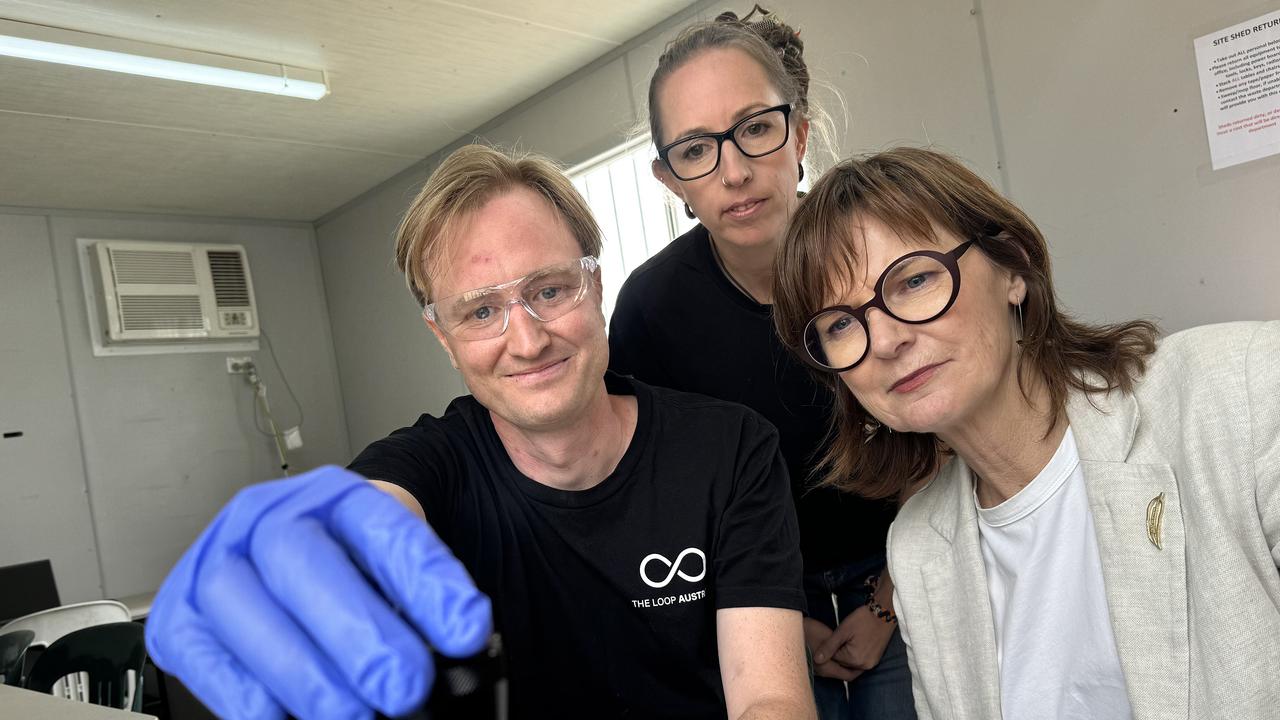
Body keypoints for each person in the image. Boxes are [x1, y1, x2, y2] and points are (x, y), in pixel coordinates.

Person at [145, 144, 817, 720]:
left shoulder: (729, 450)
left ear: (596, 284)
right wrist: (298, 555)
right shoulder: (431, 467)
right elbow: (371, 515)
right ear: (443, 337)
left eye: (550, 290)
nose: (526, 340)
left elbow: (769, 701)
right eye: (481, 311)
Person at [771, 146, 1280, 720]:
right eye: (841, 323)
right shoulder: (917, 549)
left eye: (913, 280)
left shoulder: (1241, 389)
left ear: (1012, 267)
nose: (885, 340)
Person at [607, 8, 914, 718]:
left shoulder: (880, 258)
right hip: (754, 595)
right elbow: (660, 497)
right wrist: (775, 616)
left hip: (907, 569)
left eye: (755, 128)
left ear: (798, 133)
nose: (735, 171)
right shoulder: (652, 309)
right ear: (668, 179)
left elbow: (951, 442)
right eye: (695, 149)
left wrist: (887, 605)